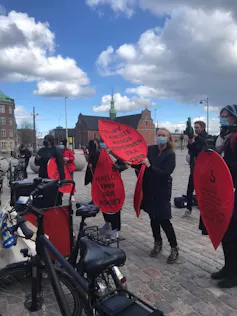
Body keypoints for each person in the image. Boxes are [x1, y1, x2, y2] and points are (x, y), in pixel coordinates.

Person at [132, 128, 179, 263]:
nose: (161, 137)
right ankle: (157, 242)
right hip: (149, 189)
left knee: (163, 219)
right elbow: (140, 165)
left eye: (164, 135)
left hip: (162, 191)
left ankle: (174, 247)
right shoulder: (150, 149)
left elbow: (165, 173)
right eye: (159, 135)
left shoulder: (170, 154)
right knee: (153, 218)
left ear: (169, 138)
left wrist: (149, 166)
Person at [211, 105, 237, 288]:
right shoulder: (225, 136)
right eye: (220, 116)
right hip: (227, 190)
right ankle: (228, 267)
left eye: (225, 116)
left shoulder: (235, 137)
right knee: (226, 233)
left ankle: (235, 274)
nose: (222, 118)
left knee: (233, 234)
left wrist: (221, 163)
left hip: (235, 189)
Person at [183, 121, 214, 218]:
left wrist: (196, 138)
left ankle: (205, 210)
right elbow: (192, 151)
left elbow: (205, 147)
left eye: (197, 127)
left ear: (203, 128)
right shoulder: (194, 137)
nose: (195, 129)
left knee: (203, 191)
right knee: (189, 190)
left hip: (204, 170)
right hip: (194, 168)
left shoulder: (209, 137)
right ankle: (188, 208)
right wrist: (190, 140)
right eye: (194, 127)